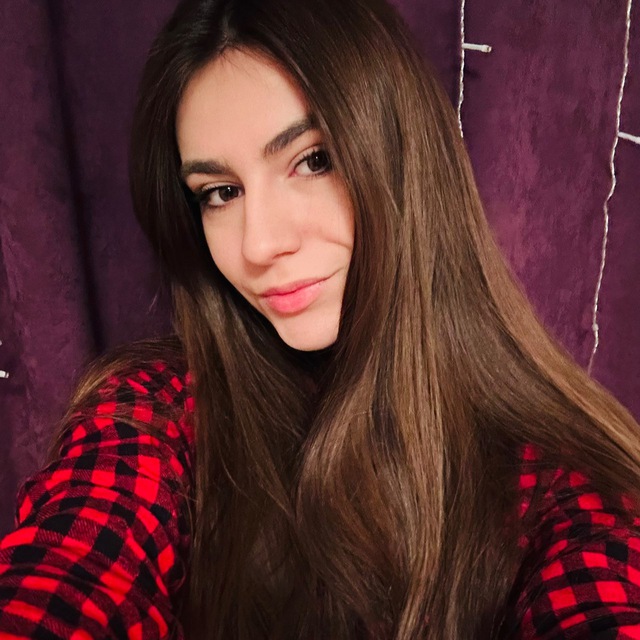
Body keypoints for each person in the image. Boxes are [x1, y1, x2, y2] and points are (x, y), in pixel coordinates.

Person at [1, 0, 640, 637]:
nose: (259, 244)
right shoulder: (156, 411)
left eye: (313, 160)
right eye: (220, 193)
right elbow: (77, 570)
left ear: (405, 158)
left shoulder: (561, 482)